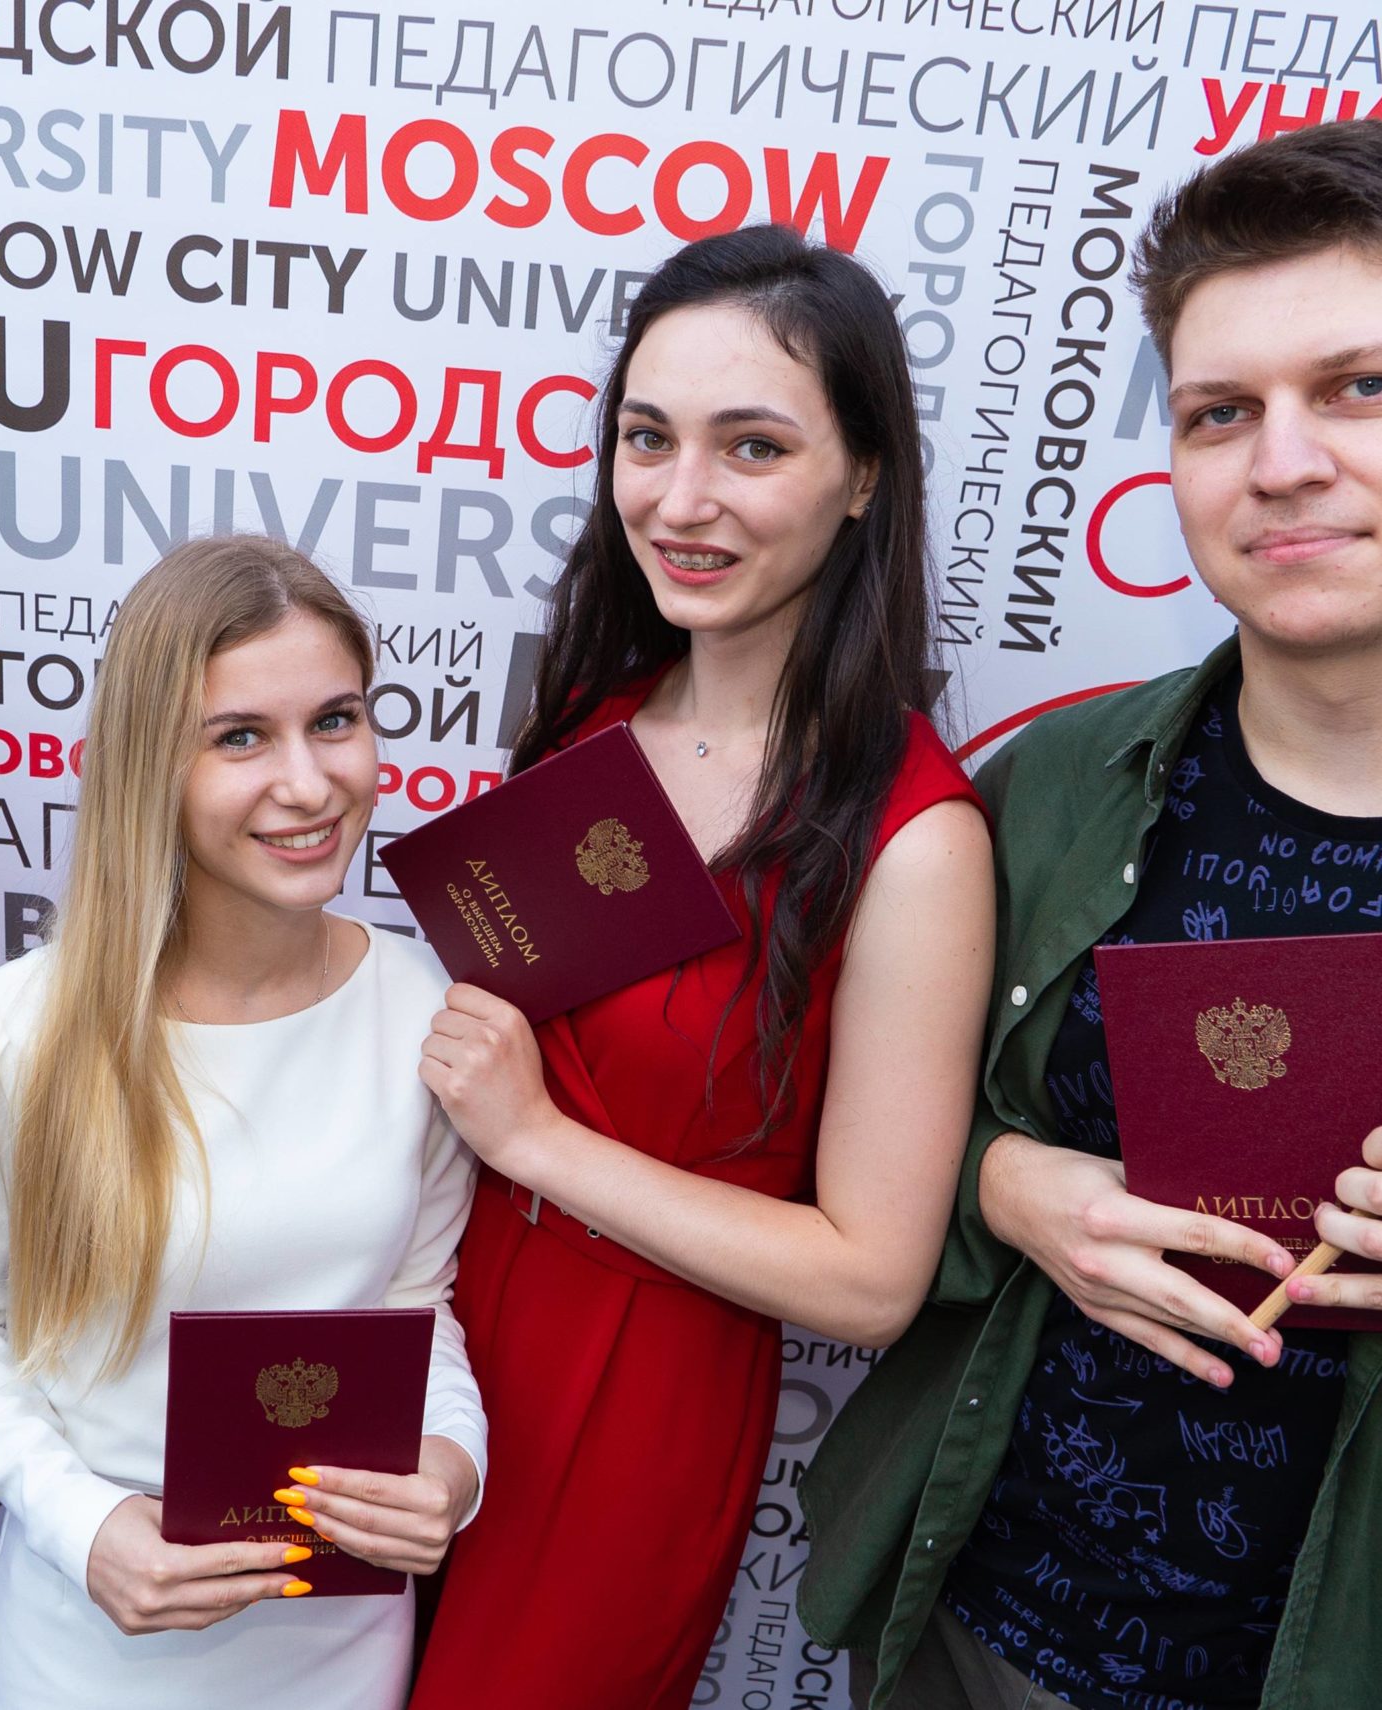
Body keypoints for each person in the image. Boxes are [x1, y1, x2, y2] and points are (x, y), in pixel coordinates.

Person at [798, 121, 1382, 1710]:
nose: (1283, 462)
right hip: (978, 1634)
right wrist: (1011, 1184)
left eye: (1366, 386)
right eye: (1221, 411)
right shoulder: (1050, 789)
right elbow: (865, 1136)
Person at [406, 225, 994, 1710]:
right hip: (430, 1335)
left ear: (863, 477)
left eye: (753, 447)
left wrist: (536, 1139)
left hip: (630, 1408)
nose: (680, 499)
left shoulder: (913, 837)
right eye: (648, 437)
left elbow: (870, 1277)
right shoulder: (590, 721)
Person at [0, 536, 487, 1710]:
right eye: (239, 737)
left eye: (335, 721)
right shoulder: (5, 1036)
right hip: (93, 1645)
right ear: (149, 764)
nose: (308, 784)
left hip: (340, 1642)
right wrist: (84, 1524)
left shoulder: (421, 1005)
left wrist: (451, 1461)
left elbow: (415, 1298)